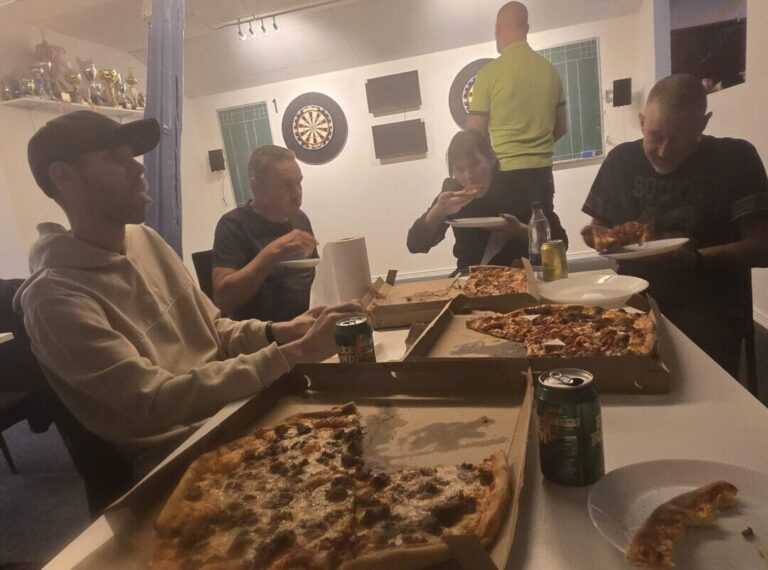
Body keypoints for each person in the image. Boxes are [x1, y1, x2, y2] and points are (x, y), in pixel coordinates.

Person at [14, 111, 359, 465]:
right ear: (63, 177)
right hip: (182, 455)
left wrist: (282, 332)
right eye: (115, 158)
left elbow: (215, 331)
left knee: (365, 411)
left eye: (133, 156)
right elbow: (154, 403)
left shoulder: (146, 239)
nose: (138, 168)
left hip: (236, 413)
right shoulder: (54, 299)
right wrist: (296, 353)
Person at [581, 74, 768, 378]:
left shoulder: (736, 159)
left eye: (678, 138)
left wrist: (697, 259)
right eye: (655, 136)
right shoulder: (620, 161)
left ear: (703, 124)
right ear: (642, 121)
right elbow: (595, 231)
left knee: (701, 390)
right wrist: (604, 238)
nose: (664, 151)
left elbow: (763, 248)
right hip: (634, 302)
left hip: (712, 308)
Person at [466, 1, 569, 246]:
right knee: (542, 239)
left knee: (510, 243)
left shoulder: (489, 74)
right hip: (542, 174)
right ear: (527, 28)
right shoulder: (550, 71)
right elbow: (561, 128)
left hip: (505, 174)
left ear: (498, 29)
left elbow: (474, 134)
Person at [407, 130, 567, 272]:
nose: (468, 176)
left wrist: (519, 230)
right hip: (469, 276)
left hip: (517, 274)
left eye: (474, 165)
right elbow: (415, 245)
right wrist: (438, 211)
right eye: (460, 169)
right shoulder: (452, 191)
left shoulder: (518, 185)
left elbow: (560, 243)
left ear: (490, 158)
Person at [212, 145, 318, 322]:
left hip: (307, 326)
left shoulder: (300, 219)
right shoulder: (233, 225)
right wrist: (273, 253)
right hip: (263, 334)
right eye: (285, 185)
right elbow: (224, 299)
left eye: (298, 183)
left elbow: (313, 282)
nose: (296, 193)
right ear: (257, 187)